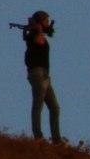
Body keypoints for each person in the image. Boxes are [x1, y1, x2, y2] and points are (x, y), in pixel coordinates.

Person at [22, 10, 61, 144]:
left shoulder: (38, 34)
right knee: (38, 105)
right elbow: (38, 41)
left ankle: (57, 139)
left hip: (44, 74)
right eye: (46, 21)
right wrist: (39, 30)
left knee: (54, 108)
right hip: (37, 73)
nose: (48, 24)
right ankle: (38, 136)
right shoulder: (34, 35)